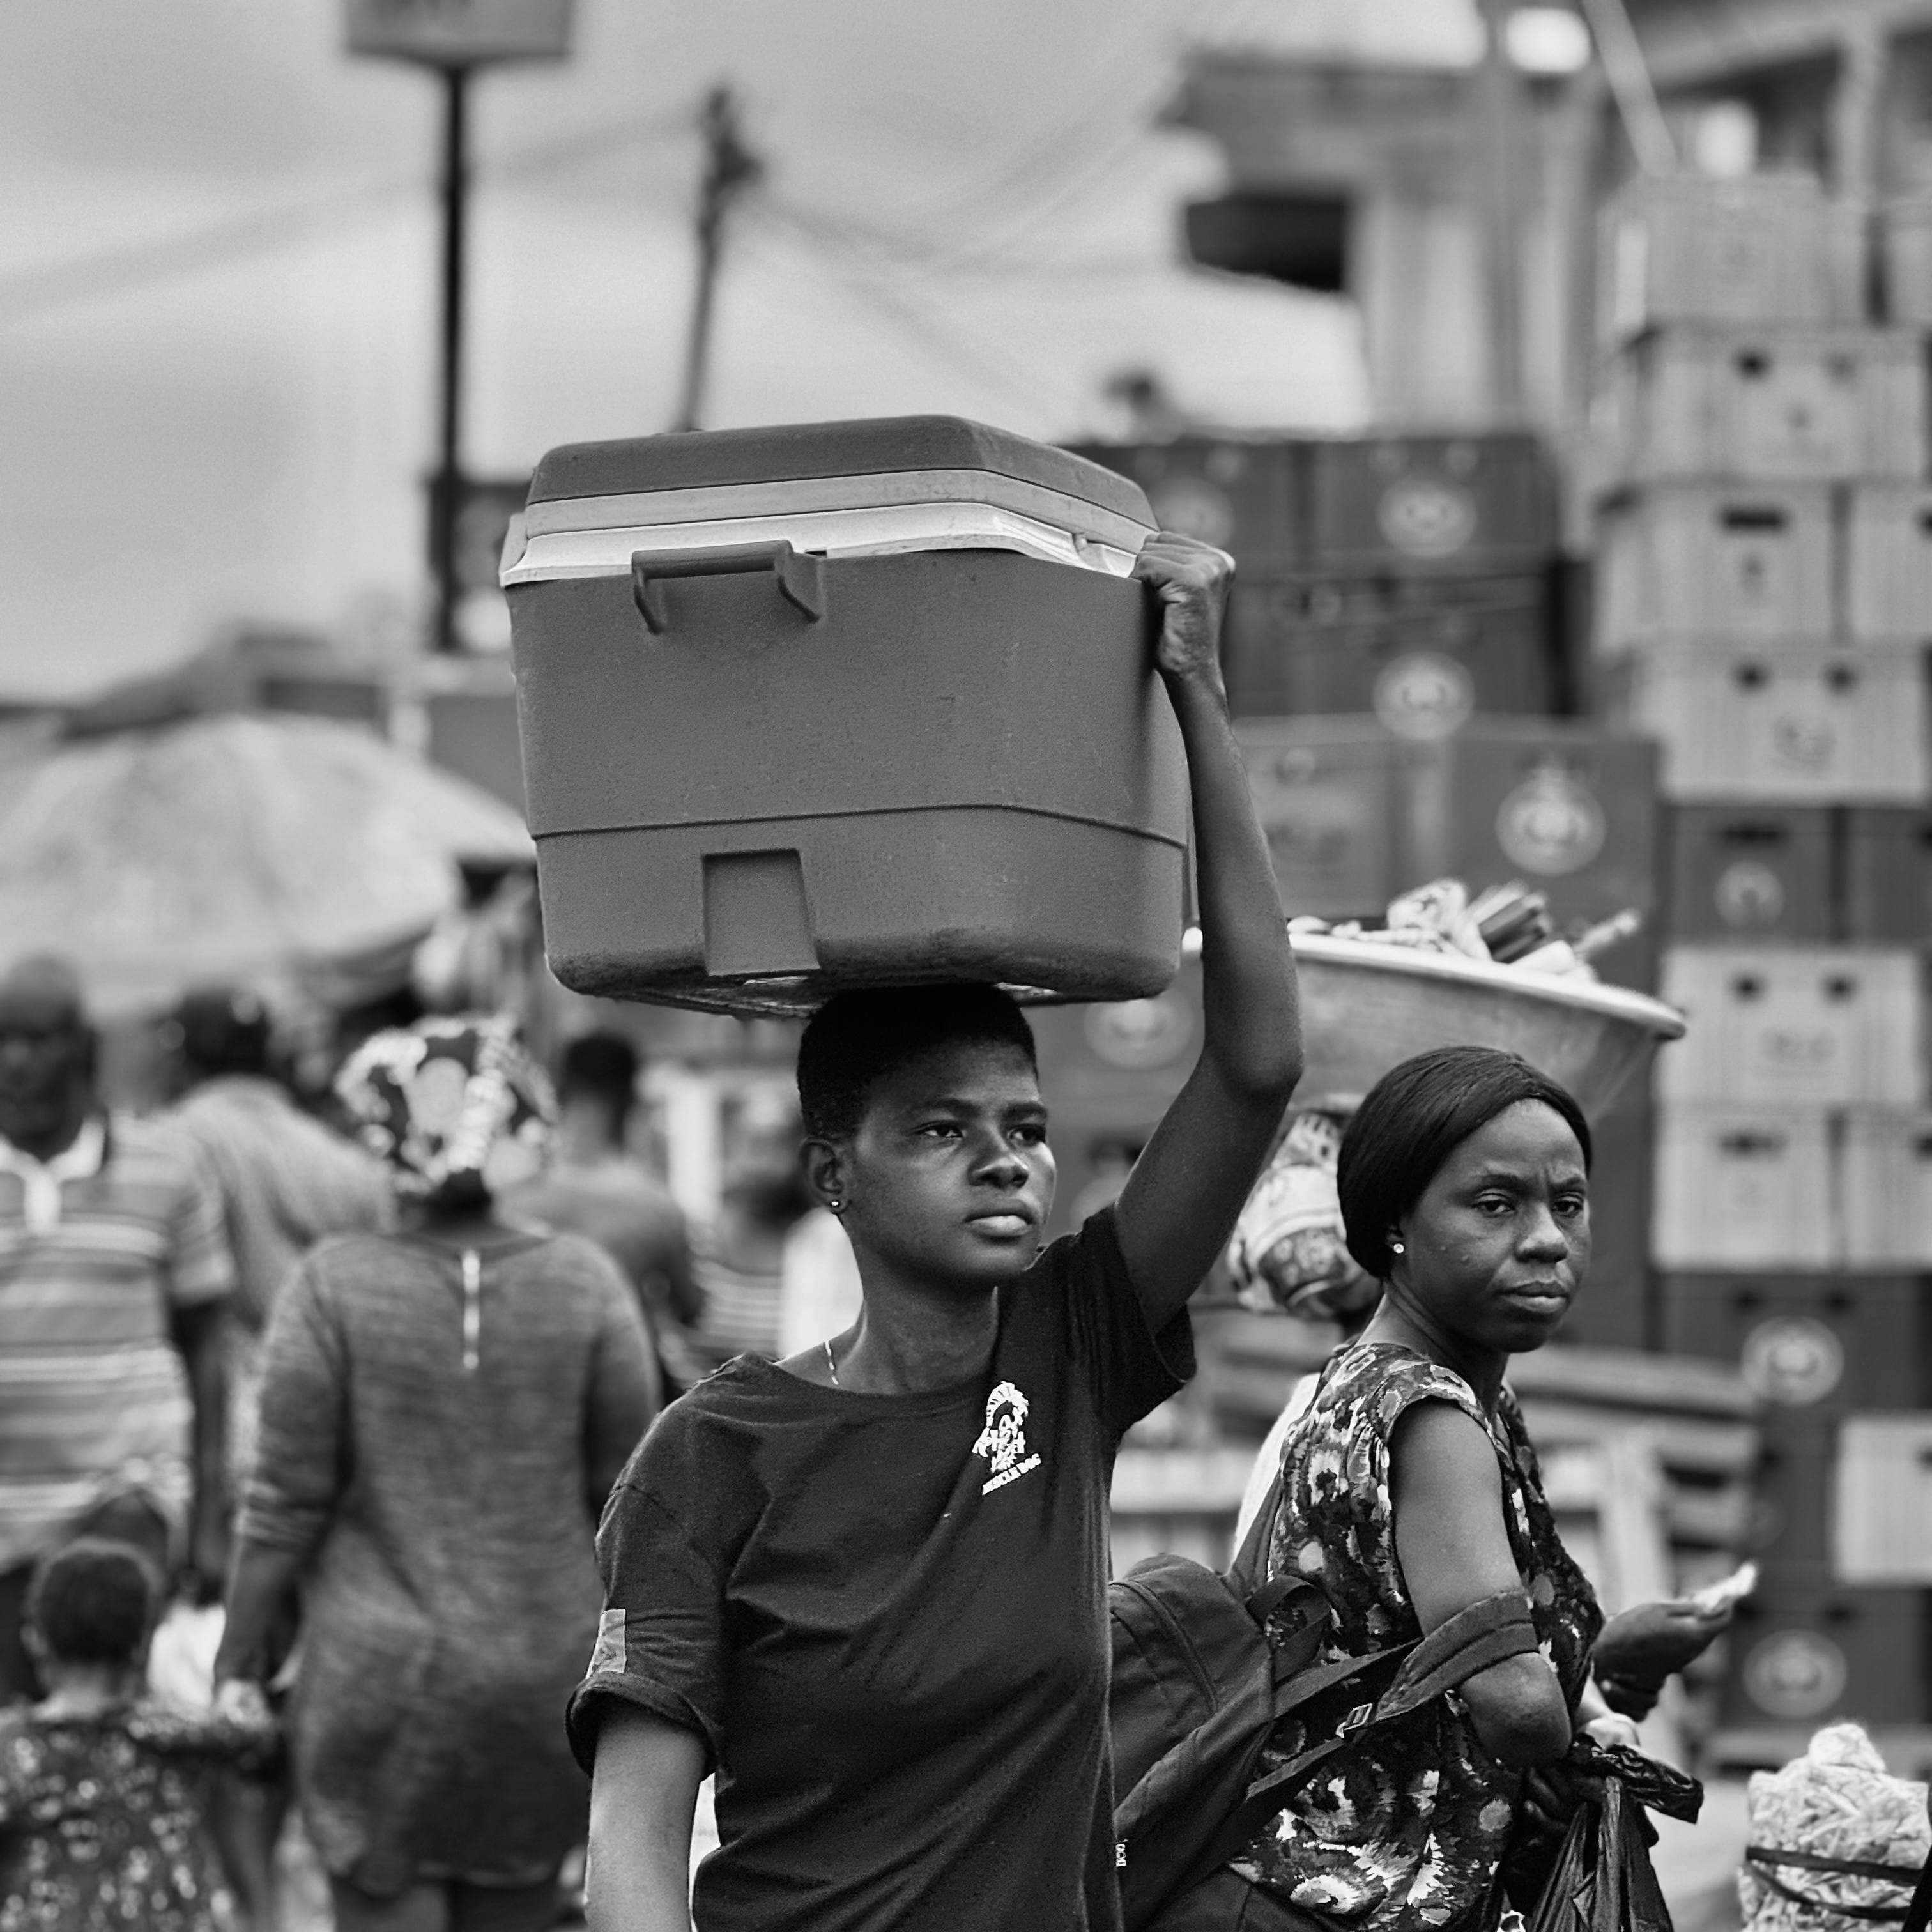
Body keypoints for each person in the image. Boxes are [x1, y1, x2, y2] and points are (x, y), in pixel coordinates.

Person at [571, 532, 1303, 1931]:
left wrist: (1198, 693)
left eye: (1025, 1129)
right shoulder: (710, 1460)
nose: (1005, 1164)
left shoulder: (1069, 1346)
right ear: (834, 1172)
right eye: (940, 1130)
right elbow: (634, 1840)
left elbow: (1258, 1067)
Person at [1173, 1045, 1659, 1930]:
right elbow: (1512, 1701)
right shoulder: (1426, 1414)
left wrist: (1596, 1704)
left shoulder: (1428, 1389)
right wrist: (1578, 1741)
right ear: (1394, 1220)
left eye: (1568, 1203)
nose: (1548, 1238)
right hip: (1325, 1903)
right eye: (1496, 1204)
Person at [212, 1016, 661, 1932]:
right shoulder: (585, 1284)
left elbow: (283, 1504)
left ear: (381, 1136)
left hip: (373, 1691)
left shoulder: (332, 1287)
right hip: (538, 1687)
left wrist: (238, 1656)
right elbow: (631, 1504)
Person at [158, 984, 394, 1929]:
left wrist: (206, 1515)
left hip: (237, 1458)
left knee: (229, 1707)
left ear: (186, 1056)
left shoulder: (178, 1146)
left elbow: (199, 1332)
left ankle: (256, 1911)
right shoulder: (343, 1161)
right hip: (352, 1459)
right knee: (316, 1705)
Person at [0, 956, 234, 1705]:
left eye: (36, 1040)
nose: (17, 1061)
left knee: (97, 1720)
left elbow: (207, 1348)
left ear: (82, 1048)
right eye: (3, 1040)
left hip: (124, 1496)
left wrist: (205, 1517)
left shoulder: (166, 1168)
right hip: (9, 1509)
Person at [0, 1538, 277, 1932]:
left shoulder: (13, 1749)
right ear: (141, 1648)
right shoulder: (177, 1736)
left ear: (34, 1640)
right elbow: (256, 1734)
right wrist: (239, 1693)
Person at [502, 1030, 700, 1392]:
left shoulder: (511, 1197)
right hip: (627, 1386)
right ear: (631, 1098)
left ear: (557, 1091)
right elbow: (690, 1311)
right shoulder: (655, 1205)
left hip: (524, 1382)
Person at [683, 1086, 815, 1376]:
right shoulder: (699, 1240)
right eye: (751, 1144)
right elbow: (676, 1347)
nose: (760, 1163)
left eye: (776, 1145)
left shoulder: (820, 1246)